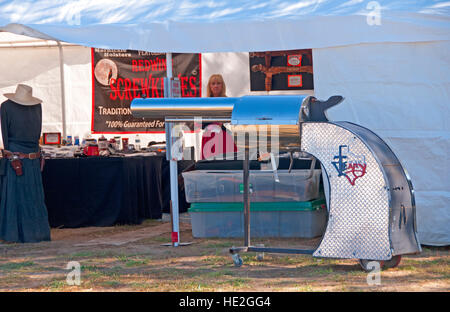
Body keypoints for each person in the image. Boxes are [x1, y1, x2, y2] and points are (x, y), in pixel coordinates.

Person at [0, 84, 51, 243]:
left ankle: (14, 234)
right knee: (33, 197)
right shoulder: (37, 108)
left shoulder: (6, 107)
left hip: (17, 158)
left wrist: (9, 152)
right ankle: (37, 233)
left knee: (17, 196)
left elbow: (6, 136)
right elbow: (38, 133)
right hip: (32, 158)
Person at [202, 74, 237, 159]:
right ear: (209, 86)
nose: (216, 86)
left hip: (225, 135)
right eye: (213, 83)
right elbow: (201, 124)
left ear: (222, 85)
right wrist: (215, 122)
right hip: (209, 136)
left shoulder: (228, 101)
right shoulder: (205, 102)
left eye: (218, 83)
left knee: (228, 161)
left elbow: (233, 119)